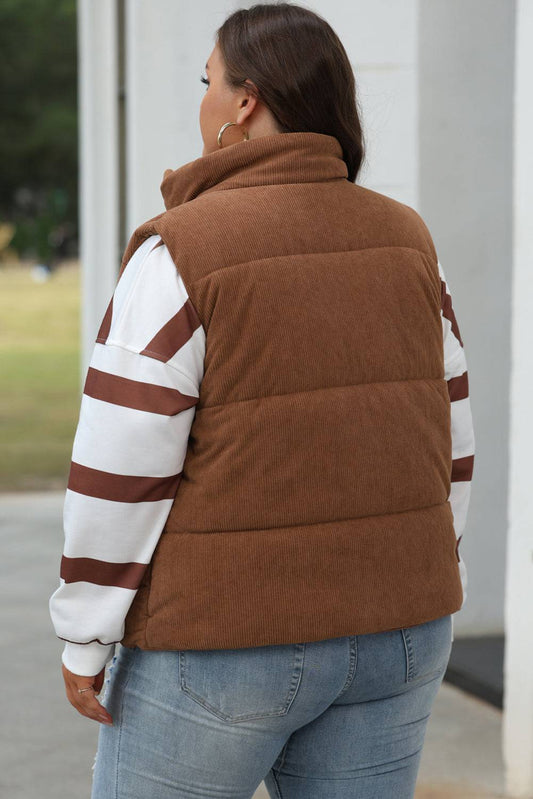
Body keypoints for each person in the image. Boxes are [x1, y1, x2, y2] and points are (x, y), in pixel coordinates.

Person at [49, 3, 475, 797]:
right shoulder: (406, 238)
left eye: (206, 80)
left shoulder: (181, 250)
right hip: (401, 632)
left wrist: (85, 634)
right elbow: (448, 432)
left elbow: (119, 464)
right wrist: (423, 566)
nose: (202, 98)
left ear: (243, 102)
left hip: (226, 642)